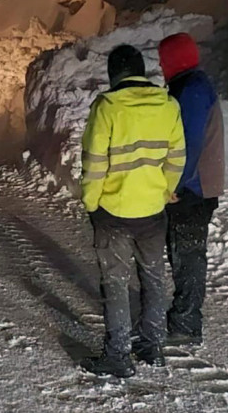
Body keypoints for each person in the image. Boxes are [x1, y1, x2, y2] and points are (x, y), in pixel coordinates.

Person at [80, 44, 186, 378]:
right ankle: (152, 346)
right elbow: (176, 156)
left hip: (113, 211)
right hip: (153, 211)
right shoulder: (168, 105)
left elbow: (95, 163)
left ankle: (118, 356)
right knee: (153, 279)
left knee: (115, 283)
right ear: (142, 71)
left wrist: (91, 201)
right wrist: (165, 189)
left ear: (114, 75)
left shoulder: (107, 107)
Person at [158, 33, 224, 344]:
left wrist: (176, 184)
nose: (161, 66)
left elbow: (189, 142)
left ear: (174, 60)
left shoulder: (192, 90)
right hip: (196, 184)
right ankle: (184, 316)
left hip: (193, 188)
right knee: (183, 252)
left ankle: (186, 323)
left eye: (163, 60)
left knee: (188, 254)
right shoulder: (190, 85)